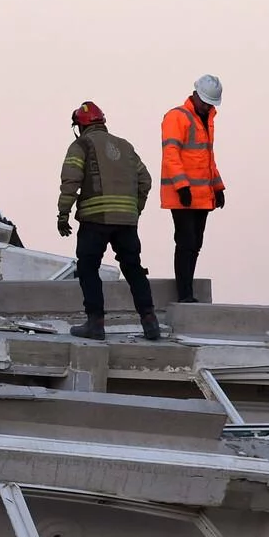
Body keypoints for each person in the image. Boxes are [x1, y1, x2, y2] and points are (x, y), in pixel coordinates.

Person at [58, 102, 161, 341]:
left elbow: (70, 182)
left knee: (88, 267)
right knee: (133, 268)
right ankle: (150, 321)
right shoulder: (125, 146)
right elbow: (145, 180)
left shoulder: (81, 145)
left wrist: (63, 214)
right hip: (127, 222)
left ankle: (95, 323)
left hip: (95, 219)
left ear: (80, 125)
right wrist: (134, 210)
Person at [162, 75, 225, 304]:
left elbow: (207, 159)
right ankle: (184, 294)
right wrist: (182, 186)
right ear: (196, 94)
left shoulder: (206, 120)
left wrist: (217, 187)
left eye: (211, 103)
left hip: (202, 196)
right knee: (186, 242)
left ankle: (187, 291)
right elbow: (171, 154)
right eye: (206, 102)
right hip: (183, 195)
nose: (208, 106)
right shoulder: (177, 117)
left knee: (195, 244)